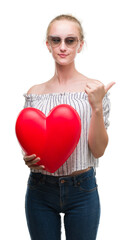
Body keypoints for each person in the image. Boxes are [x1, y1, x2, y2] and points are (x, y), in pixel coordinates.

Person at [23, 14, 115, 240]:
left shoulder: (94, 90)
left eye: (70, 41)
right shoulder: (35, 94)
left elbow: (98, 150)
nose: (62, 47)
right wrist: (27, 158)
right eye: (56, 40)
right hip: (40, 190)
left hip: (82, 190)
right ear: (48, 45)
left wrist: (96, 106)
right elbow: (30, 140)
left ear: (80, 45)